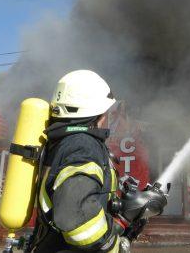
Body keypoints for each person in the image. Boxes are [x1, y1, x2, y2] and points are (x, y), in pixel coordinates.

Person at [30, 70, 124, 253]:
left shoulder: (61, 142)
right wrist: (112, 246)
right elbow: (75, 216)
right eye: (104, 112)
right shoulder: (82, 145)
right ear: (96, 112)